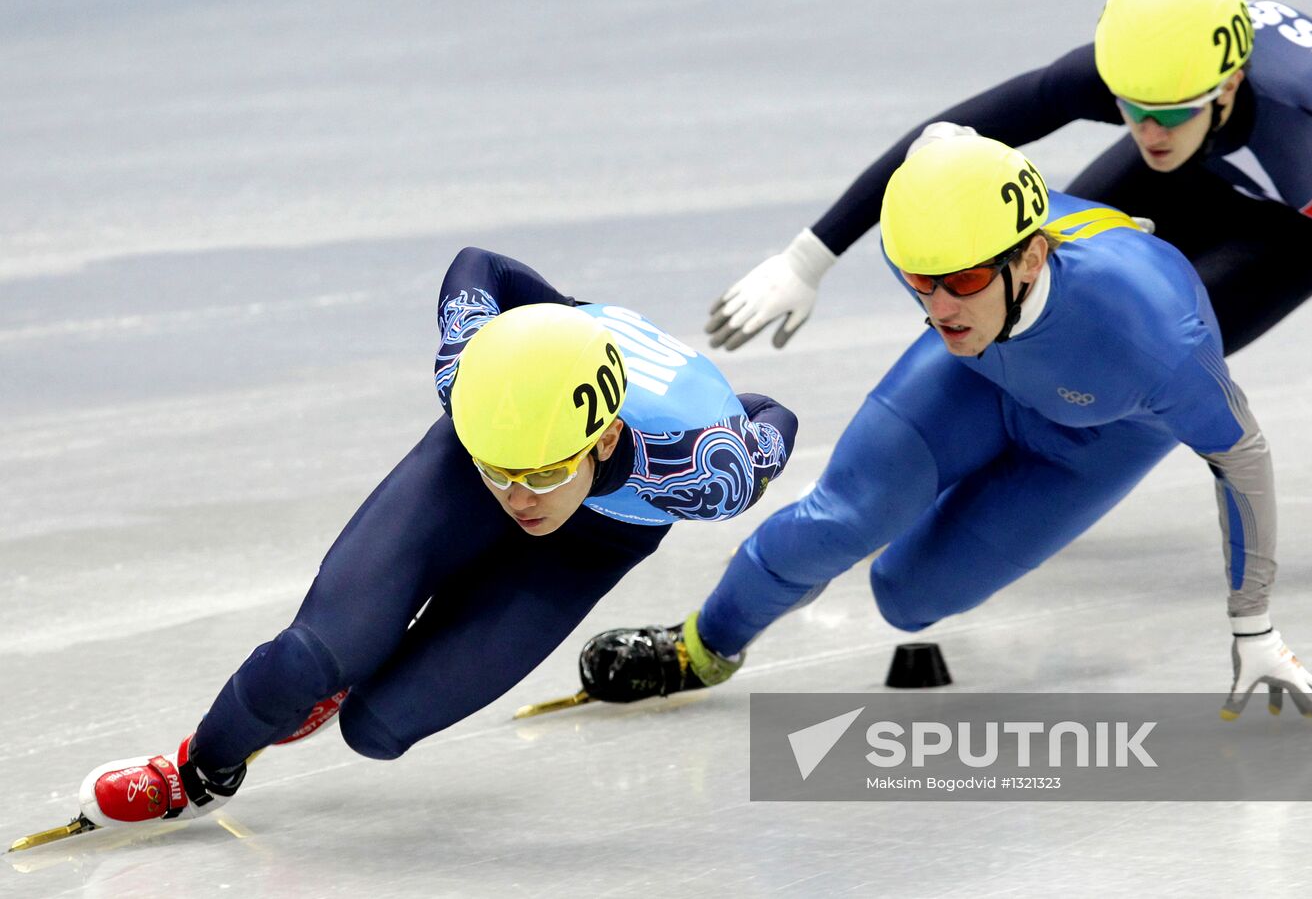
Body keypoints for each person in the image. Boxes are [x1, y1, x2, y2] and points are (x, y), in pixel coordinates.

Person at [579, 134, 1312, 727]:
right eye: (920, 279)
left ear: (1033, 256)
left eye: (966, 281)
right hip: (977, 377)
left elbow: (1243, 460)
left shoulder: (1158, 337)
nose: (940, 304)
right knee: (838, 521)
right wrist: (807, 260)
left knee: (905, 596)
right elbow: (937, 144)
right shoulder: (942, 249)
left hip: (1099, 437)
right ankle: (701, 648)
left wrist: (1254, 625)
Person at [72, 246, 797, 829]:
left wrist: (726, 411)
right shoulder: (470, 375)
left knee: (376, 728)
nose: (518, 497)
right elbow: (481, 263)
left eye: (541, 475)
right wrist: (550, 321)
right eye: (501, 472)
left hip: (596, 540)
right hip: (464, 462)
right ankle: (196, 772)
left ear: (605, 441)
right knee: (305, 659)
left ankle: (366, 667)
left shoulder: (706, 470)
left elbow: (773, 412)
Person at [705, 0, 1312, 378]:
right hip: (1201, 165)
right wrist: (808, 258)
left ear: (1227, 85)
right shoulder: (1140, 74)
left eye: (1168, 111)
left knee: (1147, 350)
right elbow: (953, 135)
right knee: (1016, 277)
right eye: (1132, 108)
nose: (1147, 129)